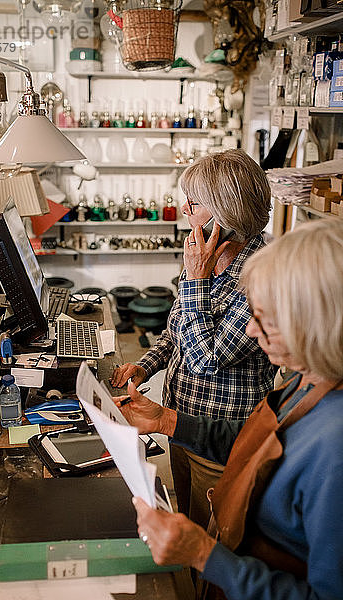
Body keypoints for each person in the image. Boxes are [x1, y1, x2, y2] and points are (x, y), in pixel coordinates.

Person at [114, 218, 343, 600]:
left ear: (314, 324)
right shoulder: (311, 379)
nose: (251, 331)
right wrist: (166, 419)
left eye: (264, 320)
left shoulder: (336, 447)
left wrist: (206, 555)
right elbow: (260, 445)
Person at [111, 149, 276, 528]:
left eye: (195, 201)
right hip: (178, 422)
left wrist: (198, 281)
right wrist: (145, 365)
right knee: (187, 522)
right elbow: (176, 330)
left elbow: (207, 359)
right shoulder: (204, 254)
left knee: (211, 541)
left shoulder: (262, 277)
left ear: (226, 212)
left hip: (220, 440)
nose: (184, 208)